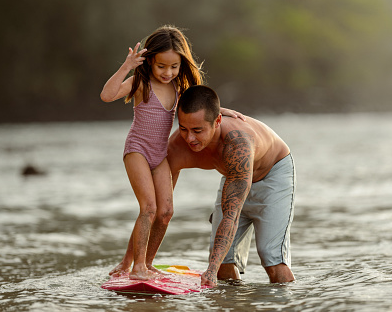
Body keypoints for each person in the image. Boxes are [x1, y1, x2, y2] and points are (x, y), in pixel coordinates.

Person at [100, 25, 241, 280]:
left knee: (165, 213)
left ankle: (146, 262)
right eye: (161, 66)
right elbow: (106, 95)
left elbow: (202, 105)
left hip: (160, 156)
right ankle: (136, 266)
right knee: (149, 208)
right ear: (150, 61)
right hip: (138, 151)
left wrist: (225, 112)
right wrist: (127, 67)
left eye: (173, 66)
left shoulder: (179, 87)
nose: (167, 72)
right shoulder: (141, 83)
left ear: (181, 65)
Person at [167, 85, 296, 287]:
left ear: (217, 121)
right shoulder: (178, 145)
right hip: (235, 176)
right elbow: (159, 208)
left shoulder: (237, 147)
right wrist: (139, 262)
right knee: (222, 263)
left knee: (271, 257)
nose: (189, 138)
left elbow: (231, 216)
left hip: (273, 175)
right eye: (184, 129)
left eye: (197, 131)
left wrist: (208, 271)